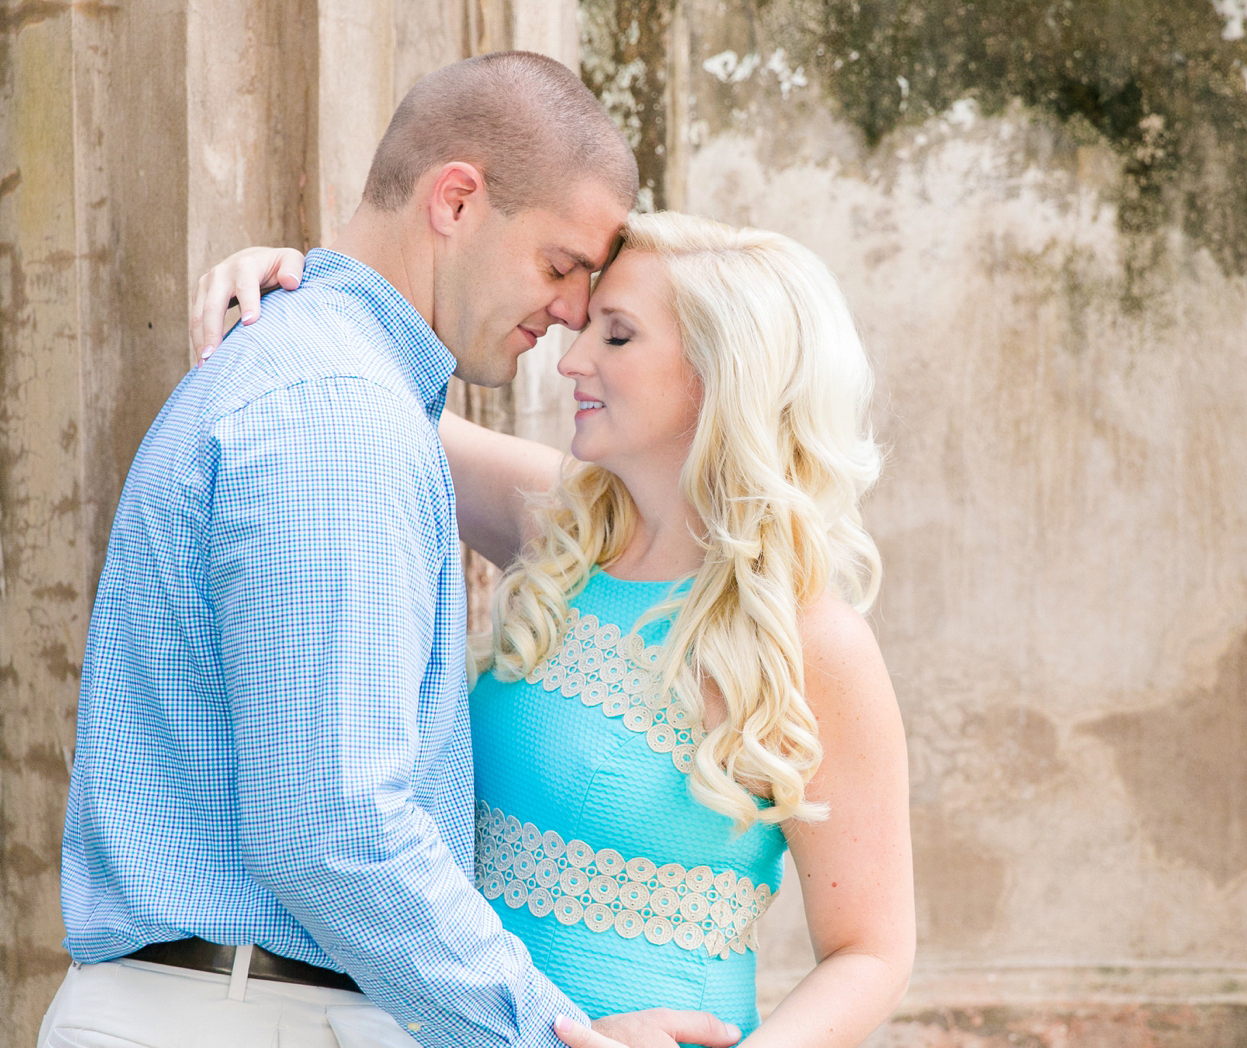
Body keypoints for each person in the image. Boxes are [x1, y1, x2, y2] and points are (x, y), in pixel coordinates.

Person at [43, 52, 740, 1048]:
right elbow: (334, 830)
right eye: (558, 266)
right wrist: (548, 1033)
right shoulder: (339, 418)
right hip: (247, 1016)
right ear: (455, 201)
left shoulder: (338, 389)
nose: (572, 313)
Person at [189, 209, 916, 1045]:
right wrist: (295, 286)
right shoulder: (564, 532)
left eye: (617, 336)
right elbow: (363, 396)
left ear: (721, 375)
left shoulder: (809, 638)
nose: (570, 359)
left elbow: (871, 949)